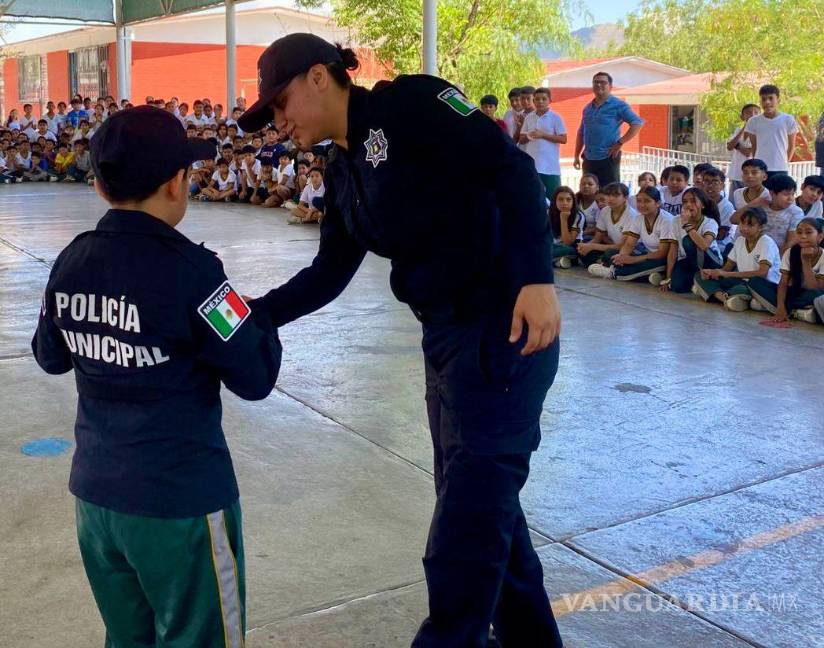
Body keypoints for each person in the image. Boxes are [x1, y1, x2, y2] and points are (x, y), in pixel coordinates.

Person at [239, 33, 563, 647]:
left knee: (464, 536)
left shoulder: (415, 102)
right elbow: (328, 272)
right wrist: (250, 316)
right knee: (485, 512)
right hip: (444, 341)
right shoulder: (343, 166)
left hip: (504, 331)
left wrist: (535, 278)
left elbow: (510, 169)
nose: (278, 123)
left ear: (318, 77)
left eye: (279, 105)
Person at [31, 106, 282, 647]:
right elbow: (257, 374)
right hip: (179, 504)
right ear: (177, 182)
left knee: (129, 639)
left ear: (98, 187)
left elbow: (50, 356)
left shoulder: (70, 262)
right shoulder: (196, 273)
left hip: (98, 503)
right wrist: (253, 313)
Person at [694, 207, 780, 311]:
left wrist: (726, 274)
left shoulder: (766, 242)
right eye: (742, 223)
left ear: (761, 227)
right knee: (699, 276)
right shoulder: (739, 240)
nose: (744, 228)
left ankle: (714, 293)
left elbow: (762, 273)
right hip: (742, 280)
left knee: (743, 288)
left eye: (750, 225)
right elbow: (726, 269)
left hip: (761, 286)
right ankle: (724, 297)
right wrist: (713, 273)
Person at [573, 71, 644, 186]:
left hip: (608, 158)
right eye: (596, 82)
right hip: (589, 159)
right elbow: (581, 132)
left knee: (610, 194)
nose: (599, 85)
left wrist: (620, 142)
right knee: (590, 193)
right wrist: (576, 155)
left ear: (610, 87)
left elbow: (637, 123)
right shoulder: (588, 108)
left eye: (603, 82)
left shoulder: (618, 105)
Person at [753, 218, 824, 323]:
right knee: (755, 281)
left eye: (809, 232)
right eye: (799, 232)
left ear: (820, 236)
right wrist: (781, 306)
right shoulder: (790, 252)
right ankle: (794, 311)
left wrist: (806, 262)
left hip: (810, 295)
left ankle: (771, 307)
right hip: (792, 294)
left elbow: (814, 288)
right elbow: (783, 283)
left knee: (816, 295)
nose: (803, 236)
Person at [663, 188, 723, 293]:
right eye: (685, 202)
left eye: (693, 201)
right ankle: (697, 283)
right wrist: (668, 277)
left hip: (709, 261)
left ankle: (702, 282)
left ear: (702, 205)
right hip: (688, 261)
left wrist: (687, 225)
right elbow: (673, 252)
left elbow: (704, 245)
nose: (688, 205)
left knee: (688, 241)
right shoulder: (675, 221)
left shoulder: (710, 222)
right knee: (676, 287)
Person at [610, 186, 675, 283]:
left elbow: (662, 253)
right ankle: (652, 276)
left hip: (664, 259)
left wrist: (632, 260)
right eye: (639, 201)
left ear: (657, 203)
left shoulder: (666, 221)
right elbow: (629, 244)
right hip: (648, 256)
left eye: (647, 201)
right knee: (611, 255)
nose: (642, 205)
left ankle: (612, 273)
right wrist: (622, 257)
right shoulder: (638, 219)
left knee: (626, 269)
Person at [579, 181, 638, 272]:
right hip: (611, 245)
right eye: (608, 195)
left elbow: (621, 246)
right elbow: (597, 239)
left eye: (615, 195)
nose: (610, 198)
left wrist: (592, 246)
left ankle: (605, 265)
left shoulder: (631, 215)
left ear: (625, 198)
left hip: (629, 250)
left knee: (610, 253)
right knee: (584, 243)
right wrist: (585, 246)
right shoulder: (605, 211)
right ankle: (602, 264)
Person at [743, 85, 799, 177]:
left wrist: (784, 163)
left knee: (779, 191)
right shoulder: (753, 121)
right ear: (760, 101)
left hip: (780, 168)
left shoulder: (788, 119)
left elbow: (791, 146)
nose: (767, 102)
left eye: (771, 98)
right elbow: (754, 147)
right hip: (760, 169)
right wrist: (756, 165)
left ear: (778, 100)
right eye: (764, 99)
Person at [523, 88, 567, 201]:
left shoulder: (556, 118)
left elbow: (563, 139)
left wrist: (543, 135)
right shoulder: (529, 117)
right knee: (533, 198)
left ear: (549, 100)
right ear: (533, 101)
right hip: (532, 166)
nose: (540, 102)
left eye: (543, 99)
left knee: (553, 199)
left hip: (550, 167)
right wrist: (528, 136)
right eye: (537, 99)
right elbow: (521, 138)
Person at [726, 104, 759, 194]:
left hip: (750, 175)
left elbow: (748, 153)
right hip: (736, 173)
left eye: (756, 112)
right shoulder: (738, 130)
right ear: (742, 116)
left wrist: (736, 146)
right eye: (748, 113)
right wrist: (744, 128)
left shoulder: (759, 133)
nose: (752, 115)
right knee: (734, 203)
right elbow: (729, 146)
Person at [548, 185, 582, 268]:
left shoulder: (578, 216)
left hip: (571, 247)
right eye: (560, 199)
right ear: (554, 201)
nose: (565, 203)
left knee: (547, 253)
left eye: (568, 199)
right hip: (553, 245)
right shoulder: (548, 213)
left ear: (573, 201)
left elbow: (568, 242)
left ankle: (553, 261)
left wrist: (564, 220)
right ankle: (558, 262)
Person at [576, 173, 600, 238]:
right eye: (583, 184)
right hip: (575, 234)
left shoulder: (600, 204)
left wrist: (581, 233)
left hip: (593, 237)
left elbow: (599, 227)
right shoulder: (574, 201)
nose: (586, 186)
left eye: (590, 184)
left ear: (597, 187)